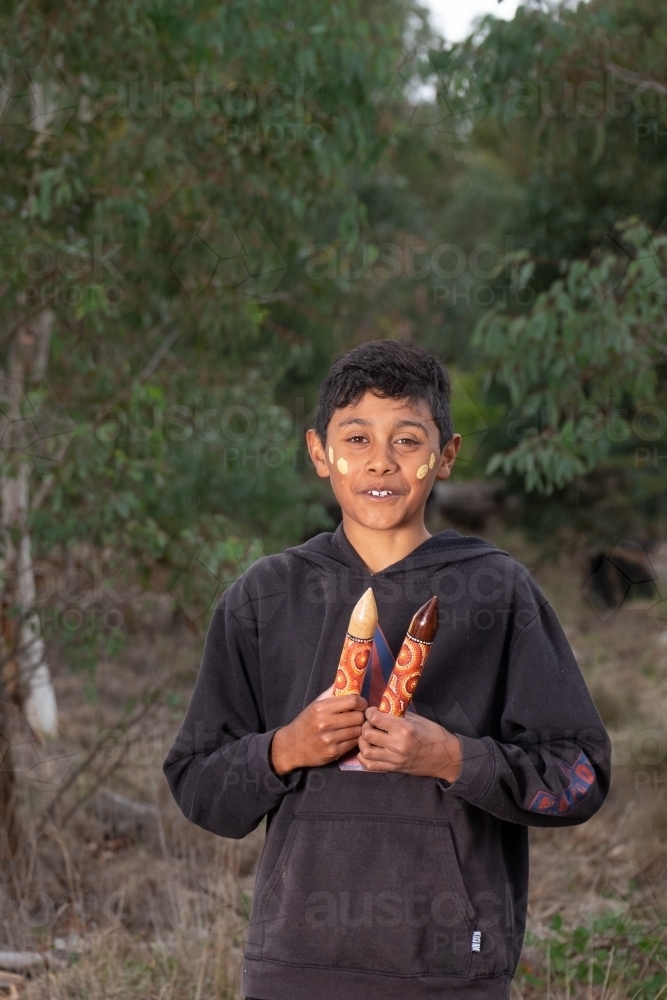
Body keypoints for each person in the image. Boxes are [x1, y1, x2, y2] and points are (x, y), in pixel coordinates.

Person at [164, 340, 611, 1000]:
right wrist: (285, 748)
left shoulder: (497, 590)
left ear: (447, 454)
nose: (380, 460)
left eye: (407, 439)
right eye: (356, 437)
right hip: (295, 964)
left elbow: (581, 775)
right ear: (319, 453)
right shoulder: (262, 598)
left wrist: (456, 759)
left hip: (450, 969)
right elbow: (197, 784)